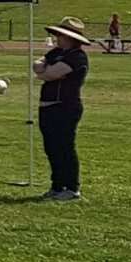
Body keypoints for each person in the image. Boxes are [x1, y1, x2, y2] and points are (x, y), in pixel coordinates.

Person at [34, 16, 93, 201]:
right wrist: (45, 71)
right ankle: (57, 185)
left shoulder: (77, 57)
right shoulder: (56, 52)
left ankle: (72, 187)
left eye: (60, 35)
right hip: (47, 106)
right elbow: (37, 65)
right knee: (51, 148)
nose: (57, 38)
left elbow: (50, 73)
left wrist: (45, 71)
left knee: (64, 147)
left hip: (66, 106)